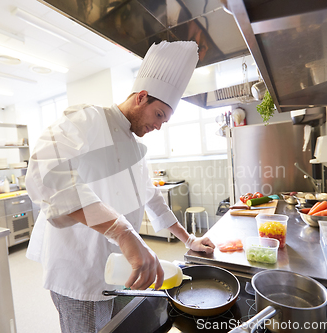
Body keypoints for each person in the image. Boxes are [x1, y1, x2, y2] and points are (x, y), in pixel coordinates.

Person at [25, 40, 215, 333]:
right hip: (81, 276)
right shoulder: (88, 119)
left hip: (122, 271)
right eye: (159, 115)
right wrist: (123, 232)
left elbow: (151, 197)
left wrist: (188, 240)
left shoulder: (134, 147)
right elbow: (45, 170)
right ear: (141, 97)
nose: (159, 126)